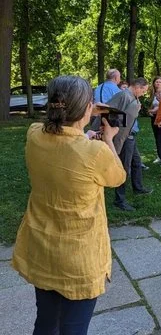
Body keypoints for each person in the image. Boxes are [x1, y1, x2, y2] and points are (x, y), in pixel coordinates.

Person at [12, 75, 126, 334]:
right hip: (78, 258)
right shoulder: (94, 152)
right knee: (74, 328)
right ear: (87, 108)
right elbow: (118, 176)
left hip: (41, 247)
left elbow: (61, 143)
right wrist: (108, 139)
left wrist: (80, 131)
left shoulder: (34, 135)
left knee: (45, 322)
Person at [106, 78, 152, 211]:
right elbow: (108, 112)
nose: (143, 93)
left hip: (130, 136)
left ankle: (138, 188)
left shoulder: (133, 97)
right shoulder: (123, 95)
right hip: (124, 138)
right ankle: (119, 200)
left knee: (137, 162)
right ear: (137, 87)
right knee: (124, 167)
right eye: (143, 90)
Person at [148, 76, 161, 165]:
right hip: (153, 117)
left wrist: (155, 110)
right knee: (156, 137)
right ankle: (159, 156)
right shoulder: (152, 94)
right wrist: (150, 111)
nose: (158, 83)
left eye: (160, 82)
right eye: (156, 82)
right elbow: (151, 105)